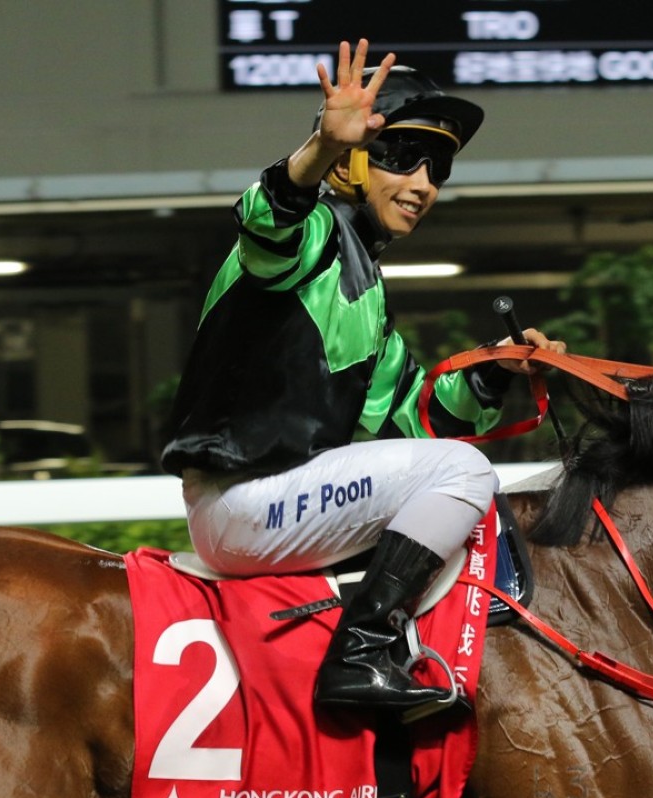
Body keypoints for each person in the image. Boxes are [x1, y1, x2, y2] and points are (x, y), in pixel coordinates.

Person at [160, 40, 564, 714]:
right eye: (401, 159)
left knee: (454, 465)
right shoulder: (311, 234)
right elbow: (266, 218)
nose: (423, 184)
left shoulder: (365, 287)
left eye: (437, 167)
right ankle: (359, 652)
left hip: (273, 501)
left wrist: (494, 372)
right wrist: (318, 147)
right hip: (248, 503)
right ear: (350, 163)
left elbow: (417, 421)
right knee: (465, 474)